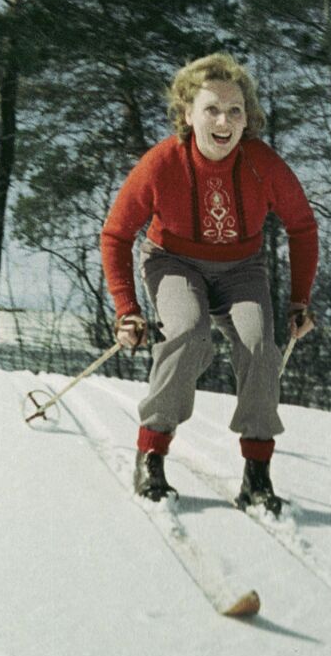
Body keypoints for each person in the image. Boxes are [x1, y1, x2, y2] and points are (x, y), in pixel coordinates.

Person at [101, 52, 318, 515]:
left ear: (248, 118)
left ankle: (257, 475)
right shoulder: (162, 163)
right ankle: (152, 455)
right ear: (187, 114)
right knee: (188, 333)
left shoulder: (262, 164)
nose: (224, 121)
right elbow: (116, 234)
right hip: (174, 262)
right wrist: (127, 308)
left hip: (242, 268)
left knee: (261, 346)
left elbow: (302, 226)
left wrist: (300, 300)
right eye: (211, 109)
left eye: (235, 110)